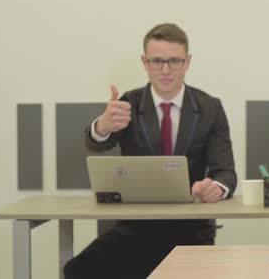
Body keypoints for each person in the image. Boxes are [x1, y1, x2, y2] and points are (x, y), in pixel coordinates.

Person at [64, 23, 237, 278]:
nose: (166, 70)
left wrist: (216, 188)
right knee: (78, 270)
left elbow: (227, 173)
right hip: (134, 228)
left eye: (174, 61)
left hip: (190, 230)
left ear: (187, 62)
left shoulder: (210, 108)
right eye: (157, 61)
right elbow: (97, 143)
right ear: (145, 63)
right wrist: (102, 126)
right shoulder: (128, 103)